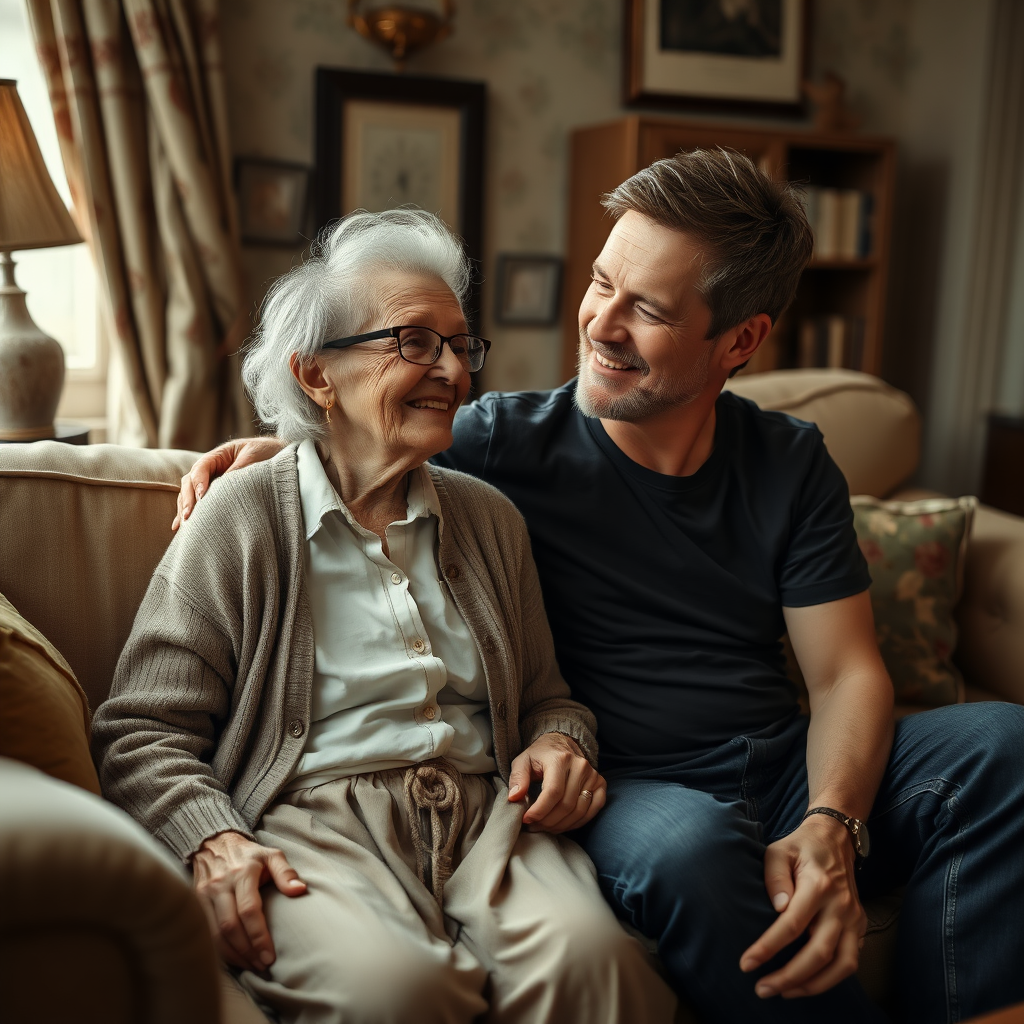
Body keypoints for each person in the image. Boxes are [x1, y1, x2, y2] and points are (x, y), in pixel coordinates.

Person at [176, 151, 1024, 1024]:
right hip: (630, 789)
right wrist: (273, 455)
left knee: (1003, 742)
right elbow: (365, 433)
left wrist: (831, 823)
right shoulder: (507, 445)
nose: (601, 324)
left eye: (647, 308)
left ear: (740, 340)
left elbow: (846, 675)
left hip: (779, 761)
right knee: (691, 852)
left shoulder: (790, 460)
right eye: (601, 282)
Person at [93, 209, 676, 1024]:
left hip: (490, 823)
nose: (450, 369)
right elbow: (140, 729)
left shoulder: (489, 518)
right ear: (316, 376)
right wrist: (210, 837)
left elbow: (550, 697)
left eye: (461, 346)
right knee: (396, 995)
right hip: (313, 828)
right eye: (413, 341)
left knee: (597, 968)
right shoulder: (245, 518)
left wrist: (559, 742)